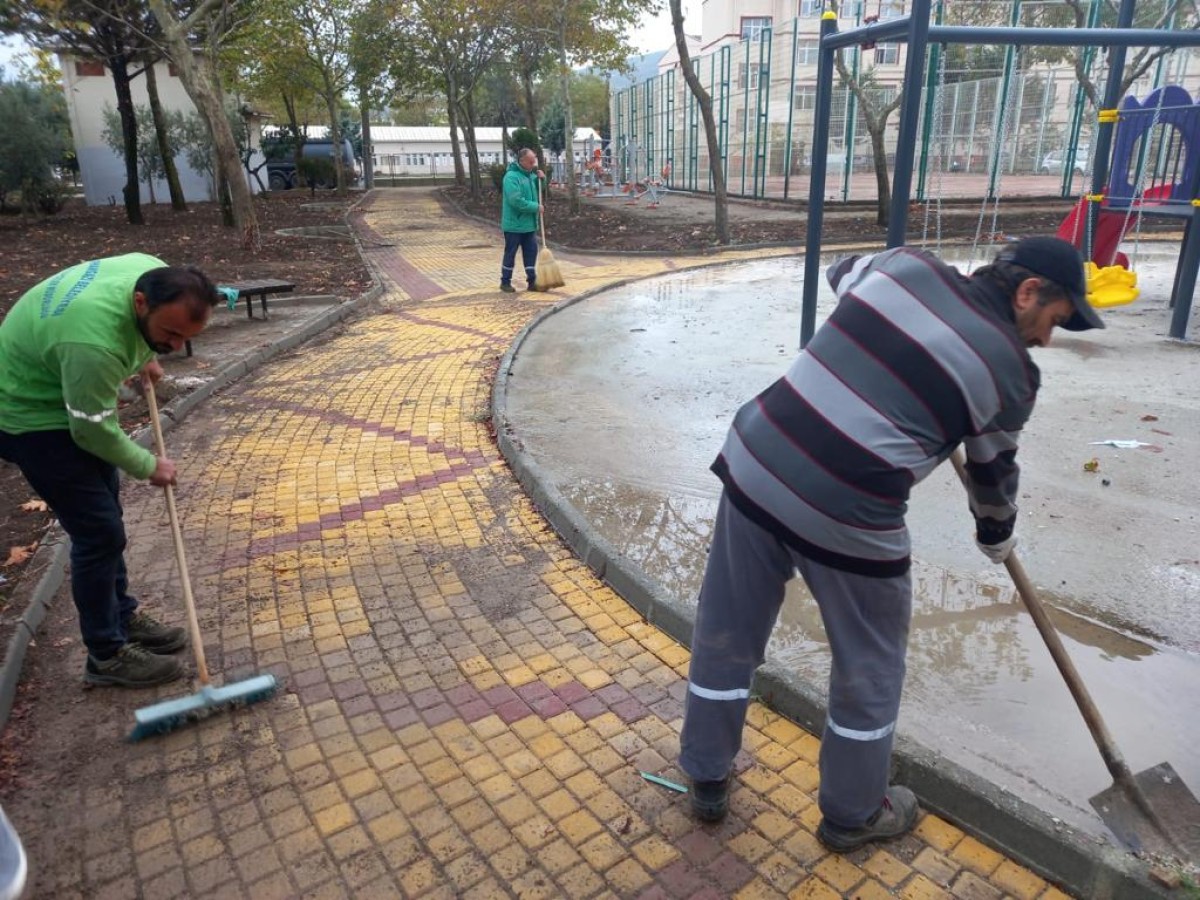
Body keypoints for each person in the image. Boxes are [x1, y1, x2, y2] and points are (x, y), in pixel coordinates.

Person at [678, 236, 1104, 851]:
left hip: (756, 459)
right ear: (1028, 291)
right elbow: (993, 483)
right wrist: (995, 537)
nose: (1046, 340)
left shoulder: (906, 267)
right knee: (870, 662)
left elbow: (839, 272)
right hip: (848, 506)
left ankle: (705, 775)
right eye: (1052, 321)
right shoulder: (1010, 374)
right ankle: (853, 815)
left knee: (728, 629)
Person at [0, 254, 220, 688]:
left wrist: (146, 354)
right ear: (140, 303)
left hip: (66, 385)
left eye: (186, 338)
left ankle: (121, 616)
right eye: (170, 335)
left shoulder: (152, 271)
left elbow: (131, 339)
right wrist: (148, 464)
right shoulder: (92, 346)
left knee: (106, 518)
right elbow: (91, 431)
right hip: (28, 415)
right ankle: (106, 654)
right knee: (99, 532)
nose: (176, 347)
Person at [499, 147, 545, 293]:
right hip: (514, 225)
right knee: (510, 253)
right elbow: (516, 201)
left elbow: (538, 190)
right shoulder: (511, 177)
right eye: (531, 162)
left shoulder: (530, 176)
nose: (533, 164)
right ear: (522, 161)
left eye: (534, 161)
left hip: (529, 225)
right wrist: (535, 207)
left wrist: (542, 180)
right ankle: (505, 281)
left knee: (531, 252)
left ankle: (532, 281)